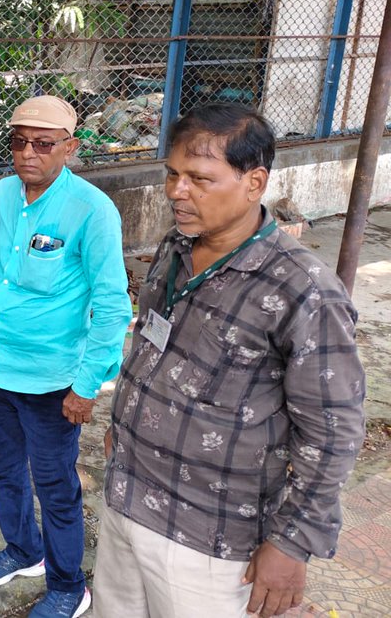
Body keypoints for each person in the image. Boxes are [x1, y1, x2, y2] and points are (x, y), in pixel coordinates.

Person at [97, 103, 365, 618]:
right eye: (172, 175)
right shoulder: (176, 247)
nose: (177, 191)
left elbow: (332, 433)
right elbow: (155, 346)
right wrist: (125, 423)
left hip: (210, 537)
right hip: (127, 496)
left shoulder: (303, 291)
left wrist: (291, 543)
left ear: (254, 182)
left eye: (199, 178)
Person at [0, 95, 132, 618]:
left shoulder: (92, 210)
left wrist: (87, 386)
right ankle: (23, 550)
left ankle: (67, 585)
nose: (28, 154)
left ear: (70, 148)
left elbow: (111, 306)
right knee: (0, 467)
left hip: (51, 381)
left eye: (43, 143)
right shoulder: (1, 195)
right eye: (18, 142)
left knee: (55, 483)